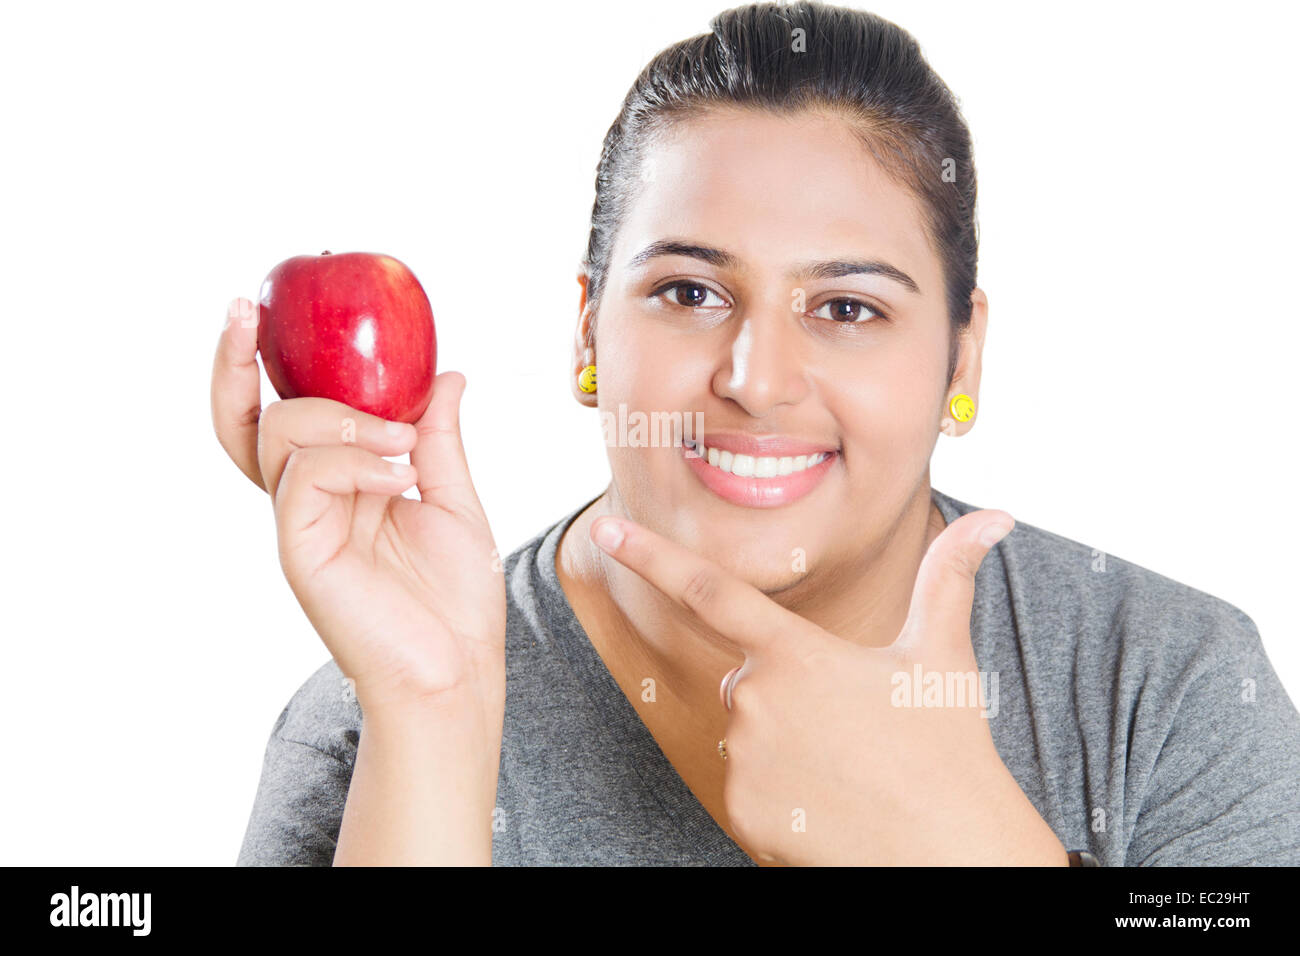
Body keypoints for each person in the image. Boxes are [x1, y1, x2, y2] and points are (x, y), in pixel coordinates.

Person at [213, 0, 1300, 866]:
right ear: (588, 332)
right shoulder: (369, 715)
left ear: (961, 357)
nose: (755, 379)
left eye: (845, 309)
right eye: (688, 292)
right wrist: (434, 709)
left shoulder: (1165, 684)